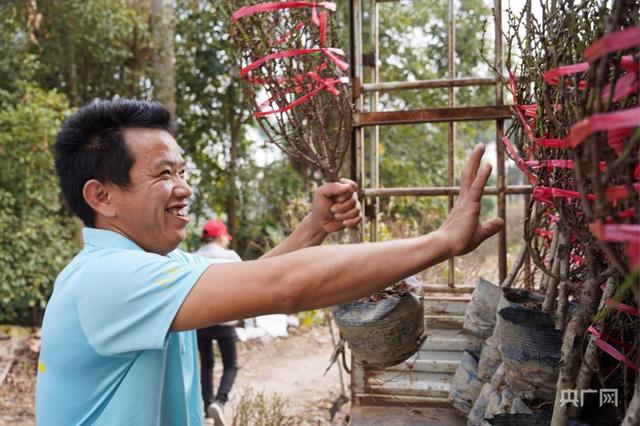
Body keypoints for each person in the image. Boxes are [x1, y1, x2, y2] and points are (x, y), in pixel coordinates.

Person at [35, 99, 503, 425]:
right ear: (102, 196)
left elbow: (254, 281)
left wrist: (314, 227)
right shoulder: (107, 279)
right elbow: (283, 288)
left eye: (182, 171)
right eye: (163, 174)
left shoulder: (155, 266)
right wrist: (441, 241)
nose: (184, 187)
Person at [194, 219, 241, 425]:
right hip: (225, 321)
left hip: (200, 322)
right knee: (231, 364)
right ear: (221, 237)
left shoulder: (192, 257)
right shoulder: (230, 257)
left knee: (207, 364)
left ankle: (207, 406)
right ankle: (219, 402)